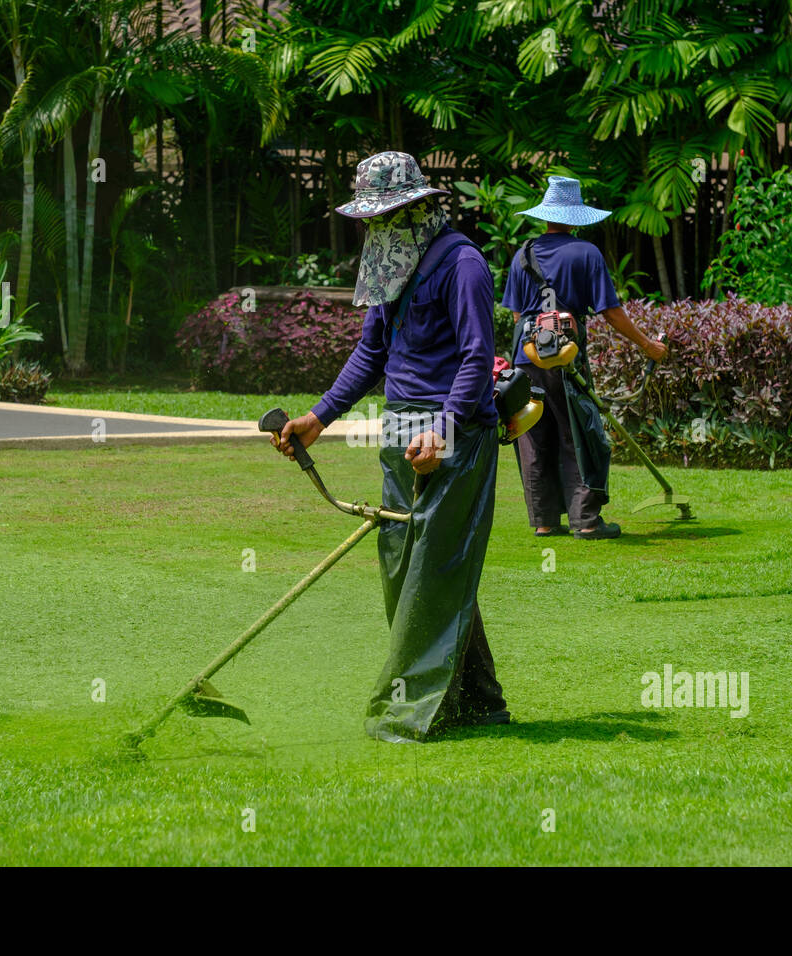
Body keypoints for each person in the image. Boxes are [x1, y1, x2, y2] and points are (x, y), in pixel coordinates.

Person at [272, 151, 509, 742]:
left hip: (454, 436)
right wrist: (318, 417)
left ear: (416, 208)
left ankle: (405, 713)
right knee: (409, 571)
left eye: (383, 217)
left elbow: (478, 358)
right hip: (401, 431)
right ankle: (479, 701)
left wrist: (444, 430)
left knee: (434, 569)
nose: (372, 230)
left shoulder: (463, 265)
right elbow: (371, 353)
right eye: (369, 219)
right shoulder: (392, 267)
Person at [503, 175, 667, 540]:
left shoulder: (523, 252)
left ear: (545, 215)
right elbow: (611, 312)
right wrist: (648, 345)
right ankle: (587, 521)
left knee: (533, 434)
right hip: (565, 357)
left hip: (524, 358)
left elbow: (516, 316)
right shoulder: (586, 253)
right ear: (576, 217)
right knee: (577, 431)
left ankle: (545, 521)